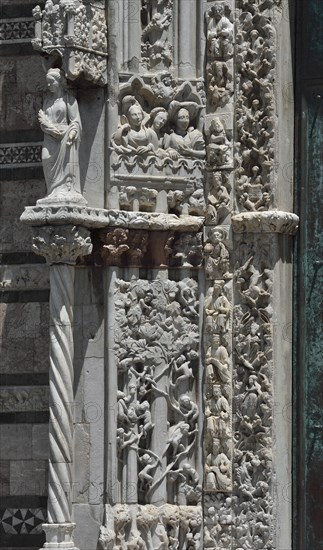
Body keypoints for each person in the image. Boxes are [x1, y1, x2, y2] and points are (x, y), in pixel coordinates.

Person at [38, 68, 83, 201]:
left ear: (59, 82)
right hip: (49, 136)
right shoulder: (47, 101)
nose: (48, 85)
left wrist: (72, 133)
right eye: (47, 82)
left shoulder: (69, 99)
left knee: (66, 165)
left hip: (65, 136)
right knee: (46, 158)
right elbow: (43, 120)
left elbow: (75, 121)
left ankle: (66, 191)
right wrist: (49, 128)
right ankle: (52, 191)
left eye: (51, 82)